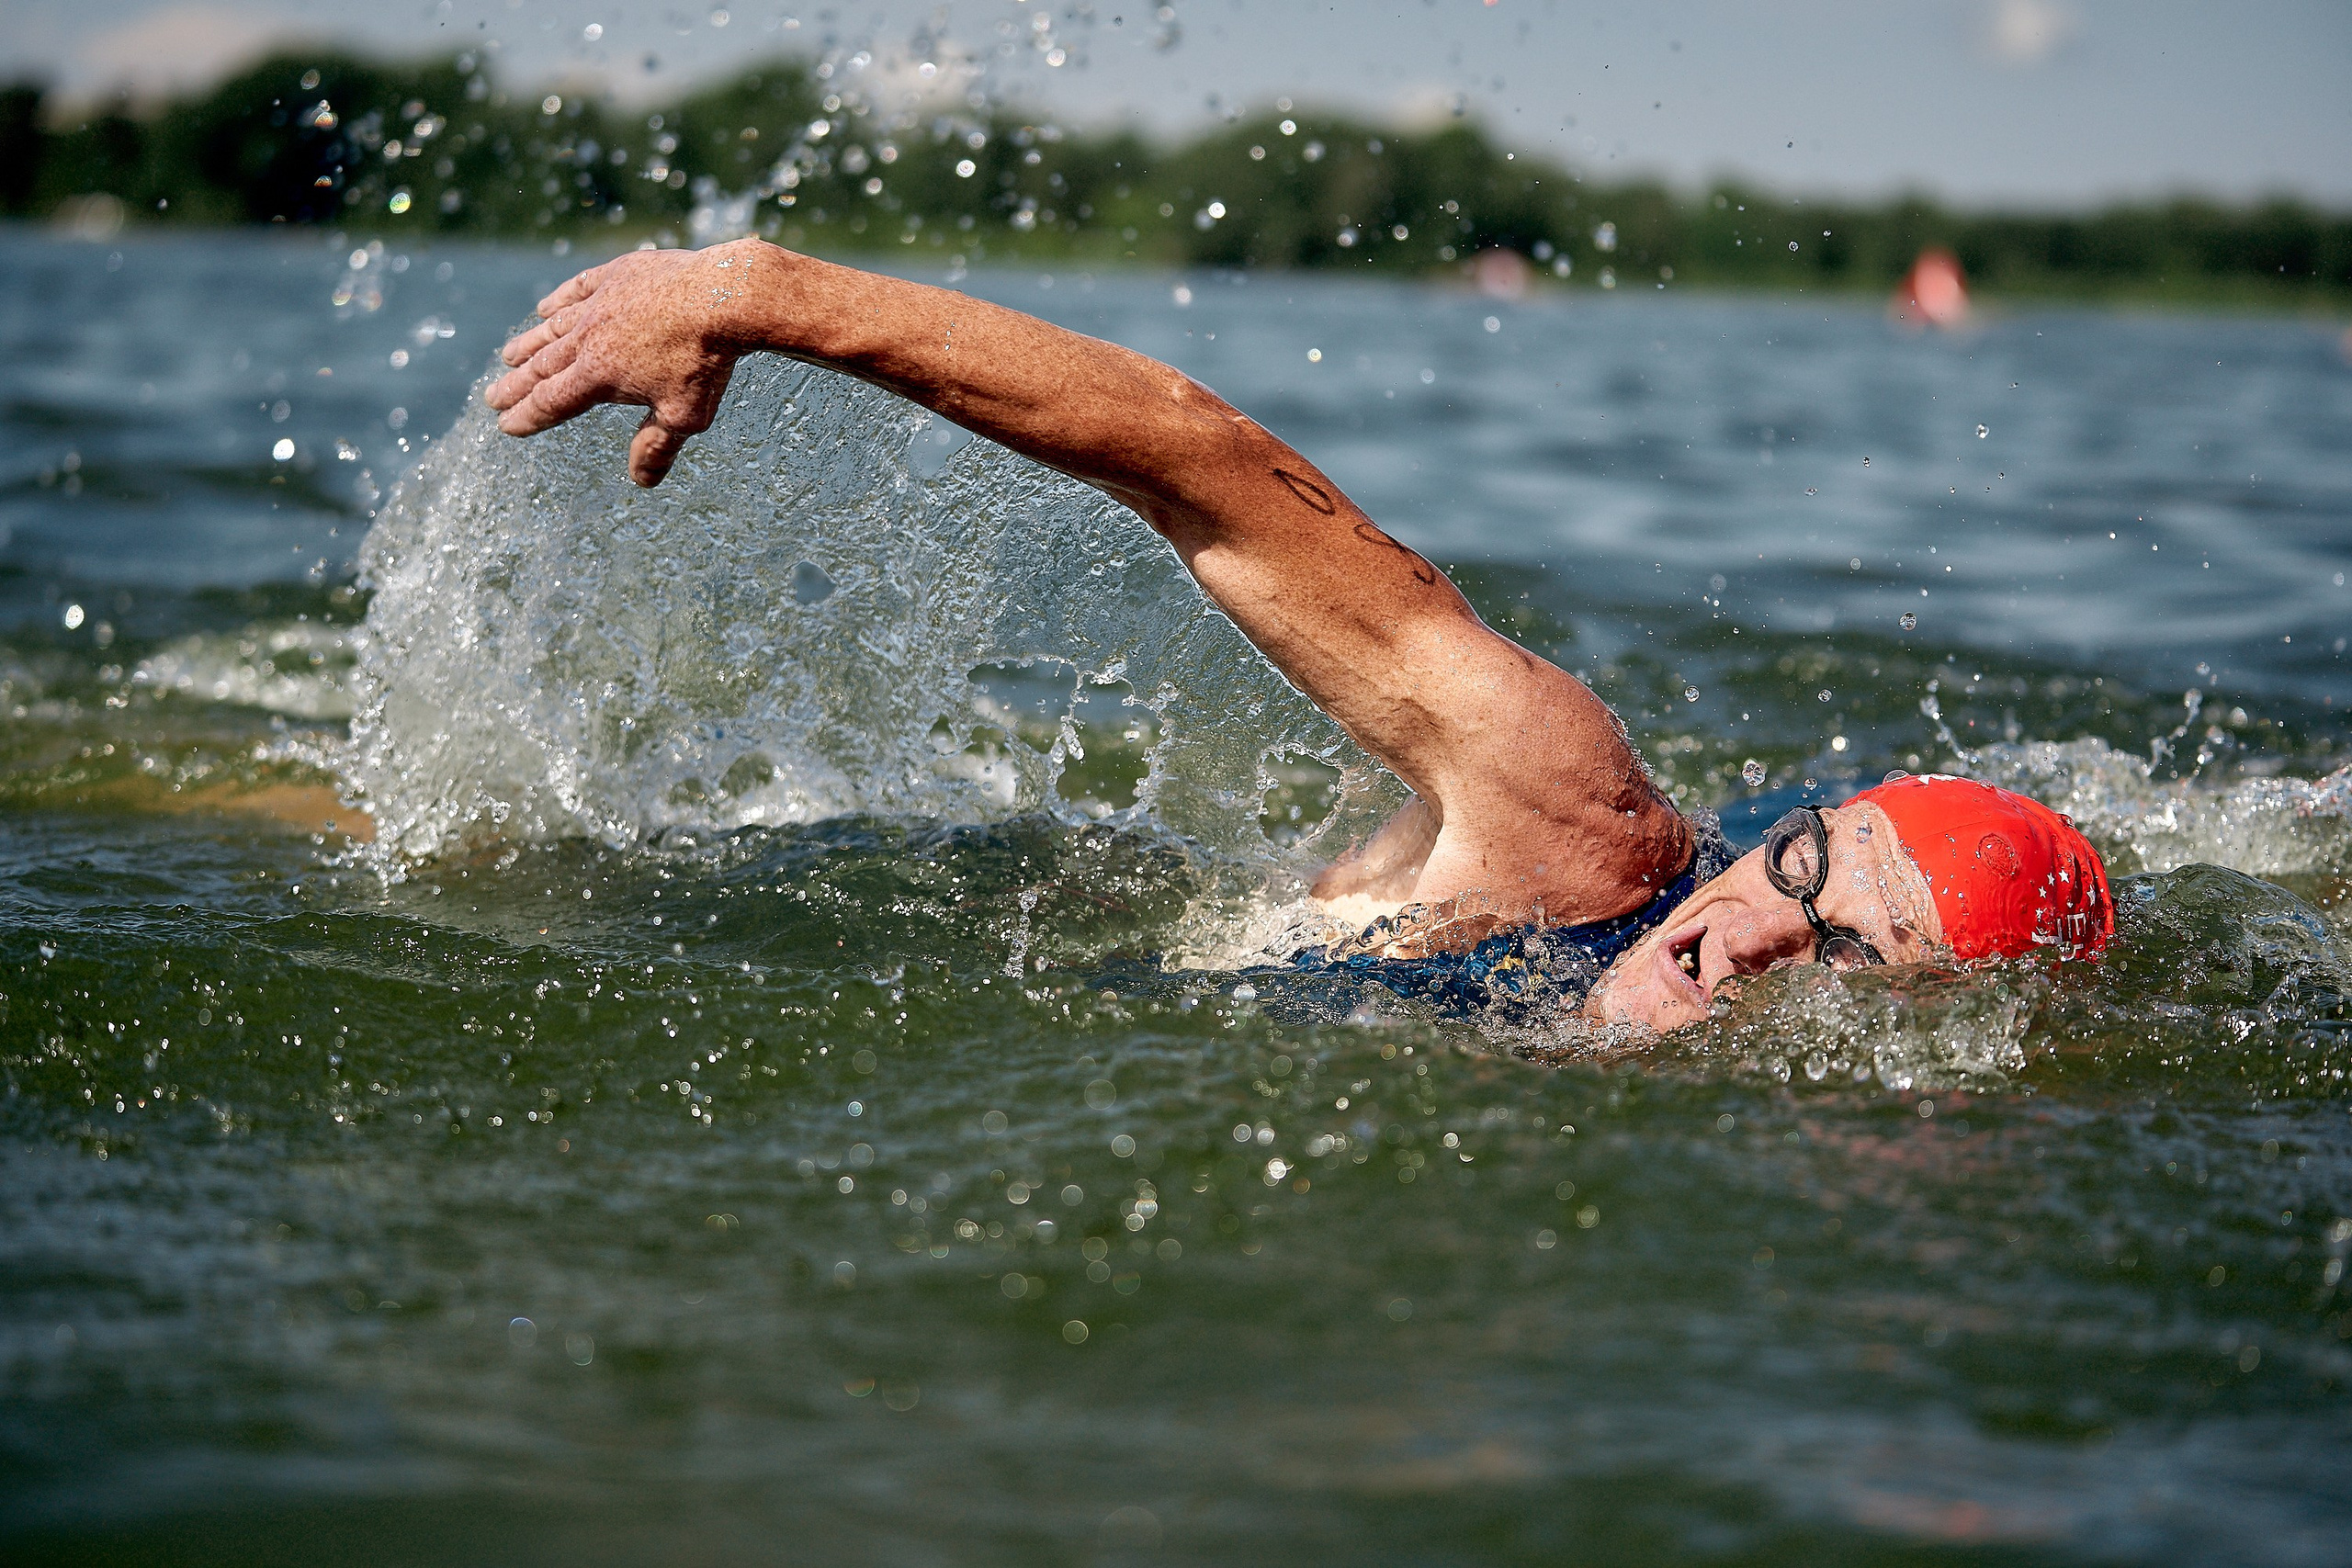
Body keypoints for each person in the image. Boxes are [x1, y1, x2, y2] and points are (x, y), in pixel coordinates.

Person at [485, 239, 2114, 1031]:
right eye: (1810, 879)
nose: (1759, 936)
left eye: (1852, 955)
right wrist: (764, 296)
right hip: (898, 897)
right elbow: (1189, 453)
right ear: (1791, 841)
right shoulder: (1573, 825)